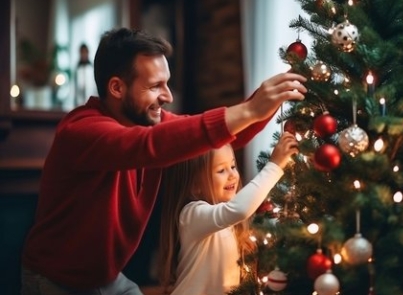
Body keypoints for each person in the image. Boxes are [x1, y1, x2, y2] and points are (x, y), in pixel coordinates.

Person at [20, 27, 307, 295]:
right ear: (117, 88)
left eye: (166, 83)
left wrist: (266, 104)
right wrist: (250, 110)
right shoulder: (81, 131)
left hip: (106, 279)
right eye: (155, 86)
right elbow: (148, 147)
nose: (167, 96)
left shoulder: (148, 123)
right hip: (53, 282)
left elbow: (209, 143)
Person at [157, 132, 299, 295]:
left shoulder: (227, 222)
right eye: (221, 170)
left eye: (232, 166)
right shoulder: (191, 215)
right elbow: (238, 210)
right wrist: (274, 166)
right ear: (195, 184)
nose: (232, 175)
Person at [74, 43, 97, 107]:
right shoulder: (77, 68)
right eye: (82, 52)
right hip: (78, 101)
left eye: (85, 52)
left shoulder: (92, 68)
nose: (84, 54)